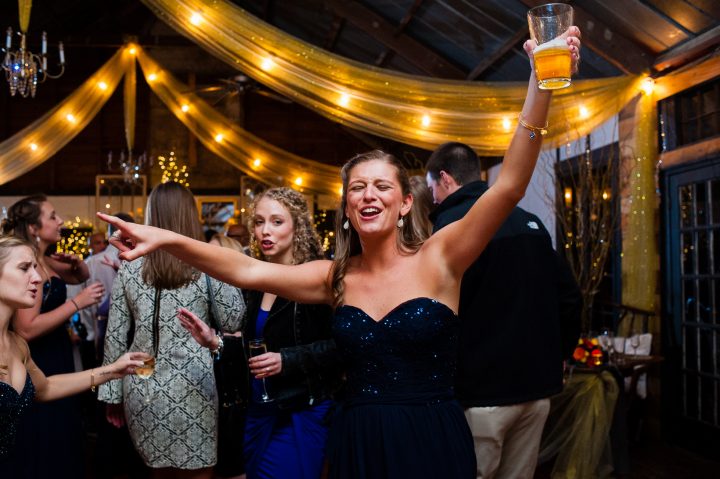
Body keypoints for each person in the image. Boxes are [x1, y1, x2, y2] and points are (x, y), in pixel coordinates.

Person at [100, 29, 581, 479]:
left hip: (431, 435)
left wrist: (541, 82)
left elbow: (512, 183)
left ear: (405, 202)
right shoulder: (334, 277)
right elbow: (246, 269)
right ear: (347, 207)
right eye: (358, 188)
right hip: (359, 438)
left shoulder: (441, 257)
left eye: (382, 186)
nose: (369, 195)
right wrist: (166, 239)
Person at [426, 142, 582, 479]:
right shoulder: (532, 223)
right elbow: (569, 297)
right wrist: (561, 353)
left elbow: (437, 315)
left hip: (481, 392)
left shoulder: (450, 227)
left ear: (445, 179)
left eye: (431, 190)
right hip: (537, 389)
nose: (434, 199)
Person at [179, 187, 341, 479]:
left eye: (277, 222)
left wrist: (287, 360)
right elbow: (256, 349)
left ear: (298, 226)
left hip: (300, 410)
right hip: (258, 408)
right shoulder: (255, 281)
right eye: (259, 221)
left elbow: (342, 346)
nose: (265, 230)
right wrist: (214, 342)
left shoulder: (317, 278)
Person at [98, 183, 246, 479]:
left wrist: (112, 394)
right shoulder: (206, 261)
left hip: (142, 382)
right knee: (200, 471)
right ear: (191, 215)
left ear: (151, 216)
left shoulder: (130, 264)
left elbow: (115, 335)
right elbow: (233, 321)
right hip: (195, 383)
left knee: (158, 472)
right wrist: (217, 260)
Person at [0, 235, 147, 472]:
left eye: (36, 268)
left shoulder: (17, 344)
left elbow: (45, 387)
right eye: (24, 268)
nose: (37, 278)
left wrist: (112, 370)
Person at [1, 194, 106, 479]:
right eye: (52, 216)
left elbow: (79, 276)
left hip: (53, 356)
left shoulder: (43, 260)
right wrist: (77, 303)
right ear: (33, 227)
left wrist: (111, 371)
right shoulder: (26, 263)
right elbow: (27, 326)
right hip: (43, 353)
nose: (35, 278)